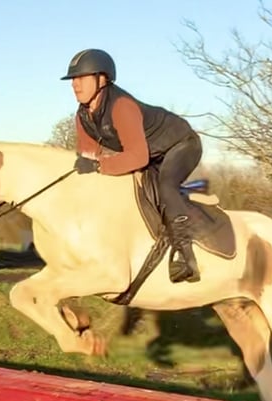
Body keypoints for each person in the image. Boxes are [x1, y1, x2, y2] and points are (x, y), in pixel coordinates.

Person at [60, 48, 202, 284]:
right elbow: (88, 158)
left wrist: (98, 167)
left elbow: (136, 157)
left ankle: (185, 257)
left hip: (181, 145)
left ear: (102, 79)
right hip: (153, 154)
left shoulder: (121, 106)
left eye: (81, 78)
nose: (75, 84)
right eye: (73, 79)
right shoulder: (83, 116)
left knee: (166, 186)